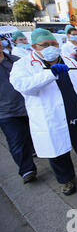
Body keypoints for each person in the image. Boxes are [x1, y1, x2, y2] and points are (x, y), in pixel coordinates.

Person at [9, 28, 77, 196]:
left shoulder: (68, 60)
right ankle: (66, 180)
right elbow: (22, 86)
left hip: (76, 116)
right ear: (34, 46)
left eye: (53, 43)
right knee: (58, 154)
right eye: (45, 45)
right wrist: (49, 74)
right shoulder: (23, 65)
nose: (51, 47)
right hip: (51, 120)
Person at [0, 40, 37, 184]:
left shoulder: (16, 61)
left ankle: (33, 151)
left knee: (31, 135)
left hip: (27, 106)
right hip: (6, 112)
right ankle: (27, 170)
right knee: (16, 140)